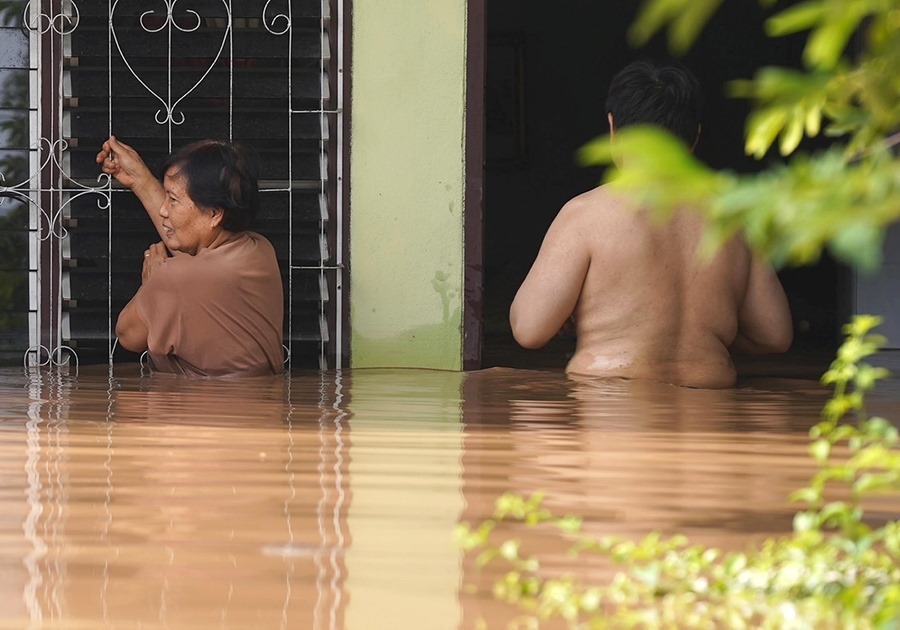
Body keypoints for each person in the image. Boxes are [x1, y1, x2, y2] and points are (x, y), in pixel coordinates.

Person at [509, 60, 792, 388]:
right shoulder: (732, 217)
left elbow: (528, 330)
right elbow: (775, 336)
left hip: (607, 399)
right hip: (708, 400)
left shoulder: (586, 214)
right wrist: (708, 336)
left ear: (613, 128)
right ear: (694, 137)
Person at [97, 135, 285, 376]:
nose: (164, 209)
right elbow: (196, 259)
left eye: (173, 200)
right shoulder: (259, 250)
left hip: (198, 407)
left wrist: (153, 283)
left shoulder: (175, 278)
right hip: (260, 405)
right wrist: (139, 180)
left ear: (214, 213)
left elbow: (127, 335)